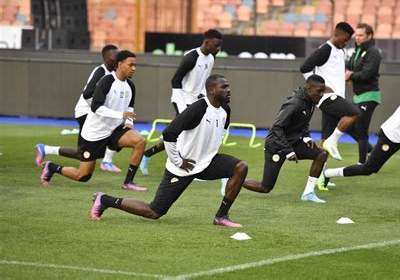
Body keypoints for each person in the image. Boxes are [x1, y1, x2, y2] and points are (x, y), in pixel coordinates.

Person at [90, 75, 248, 228]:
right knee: (154, 211)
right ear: (212, 90)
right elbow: (168, 133)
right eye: (224, 87)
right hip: (183, 167)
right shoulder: (198, 108)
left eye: (228, 87)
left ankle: (221, 216)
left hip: (206, 162)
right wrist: (178, 160)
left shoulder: (225, 110)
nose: (229, 90)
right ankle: (104, 200)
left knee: (240, 167)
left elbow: (221, 132)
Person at [39, 50, 147, 191]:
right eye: (130, 64)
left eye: (135, 65)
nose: (134, 68)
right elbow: (96, 107)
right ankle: (51, 167)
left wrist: (129, 123)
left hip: (114, 130)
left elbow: (130, 107)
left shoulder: (130, 86)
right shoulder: (106, 81)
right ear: (120, 64)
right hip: (95, 133)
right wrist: (121, 115)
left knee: (140, 142)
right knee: (83, 176)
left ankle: (128, 182)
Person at [140, 29, 223, 176]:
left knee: (188, 136)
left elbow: (204, 81)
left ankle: (147, 154)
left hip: (198, 101)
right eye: (216, 45)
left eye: (220, 46)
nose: (218, 49)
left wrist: (203, 96)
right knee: (187, 136)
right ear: (207, 42)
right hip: (182, 100)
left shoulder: (211, 58)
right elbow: (175, 80)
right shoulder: (191, 57)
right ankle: (186, 169)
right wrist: (182, 107)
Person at [35, 45, 122, 173]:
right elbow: (87, 94)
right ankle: (107, 162)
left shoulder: (113, 74)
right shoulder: (101, 72)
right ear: (108, 59)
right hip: (86, 112)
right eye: (116, 57)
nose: (119, 60)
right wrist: (98, 108)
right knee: (114, 131)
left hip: (94, 113)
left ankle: (46, 149)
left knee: (81, 153)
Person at [243, 75, 328, 203]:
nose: (322, 94)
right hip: (276, 146)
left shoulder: (311, 101)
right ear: (309, 88)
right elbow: (277, 127)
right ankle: (232, 179)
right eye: (319, 91)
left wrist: (306, 137)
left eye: (323, 91)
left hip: (294, 142)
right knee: (265, 187)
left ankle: (308, 193)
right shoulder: (295, 103)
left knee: (321, 154)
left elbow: (303, 122)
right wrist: (288, 150)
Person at [300, 22, 360, 164]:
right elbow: (305, 67)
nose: (346, 43)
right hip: (327, 98)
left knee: (324, 140)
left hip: (336, 97)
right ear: (336, 34)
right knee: (355, 113)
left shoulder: (340, 51)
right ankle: (333, 142)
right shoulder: (325, 49)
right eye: (344, 39)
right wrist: (321, 87)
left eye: (348, 41)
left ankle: (318, 179)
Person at [345, 23, 382, 164]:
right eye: (356, 35)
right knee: (347, 125)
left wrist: (350, 76)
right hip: (358, 95)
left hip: (370, 95)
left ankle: (362, 163)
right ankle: (371, 151)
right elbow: (349, 67)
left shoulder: (374, 52)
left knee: (361, 129)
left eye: (361, 35)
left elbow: (366, 74)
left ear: (370, 36)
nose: (357, 38)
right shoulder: (357, 51)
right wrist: (348, 74)